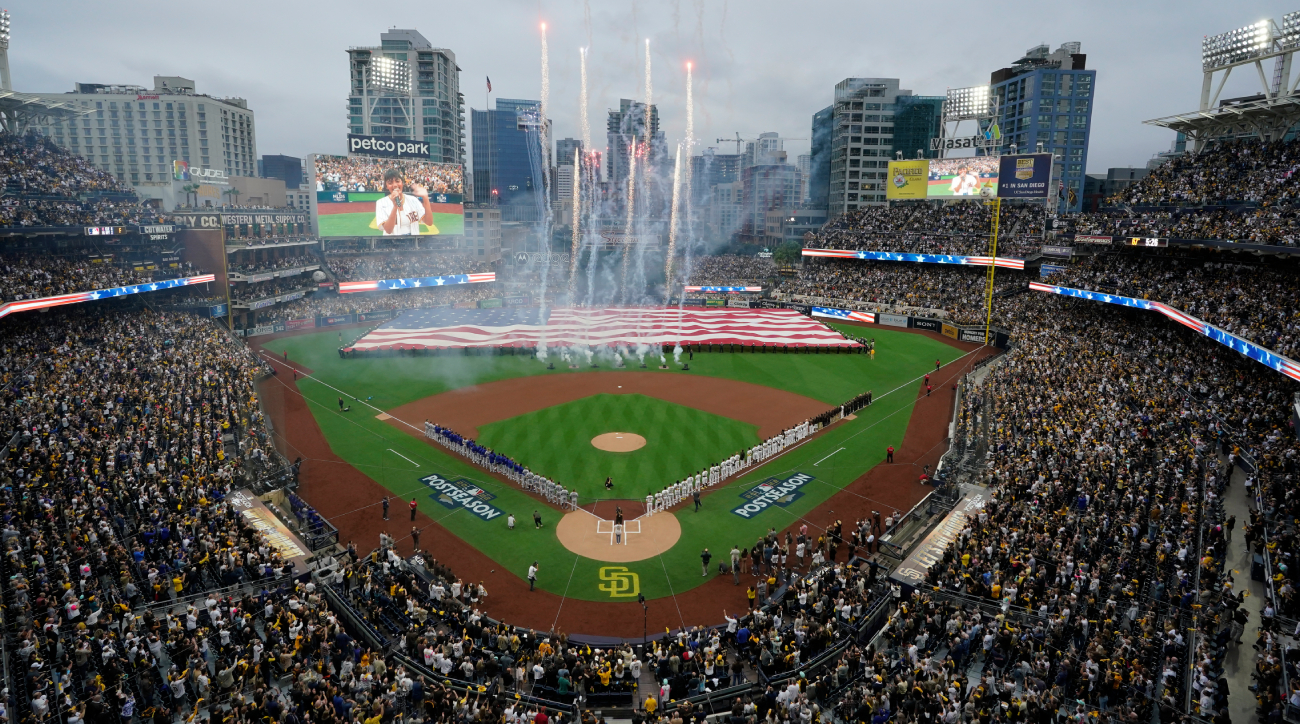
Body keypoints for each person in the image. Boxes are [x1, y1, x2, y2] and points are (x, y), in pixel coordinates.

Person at [376, 168, 436, 235]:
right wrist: (395, 206)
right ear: (386, 186)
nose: (395, 185)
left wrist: (425, 198)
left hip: (413, 243)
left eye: (397, 181)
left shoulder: (413, 200)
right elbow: (388, 230)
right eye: (390, 183)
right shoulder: (381, 203)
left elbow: (429, 222)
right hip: (392, 244)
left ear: (402, 183)